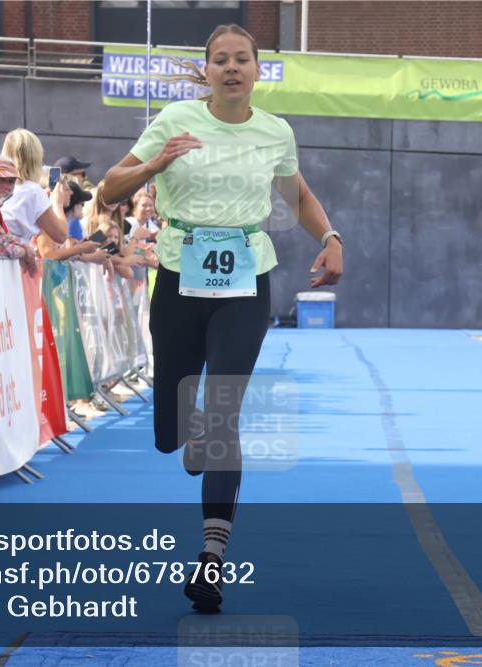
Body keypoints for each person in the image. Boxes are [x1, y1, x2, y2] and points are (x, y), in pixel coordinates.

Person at [102, 23, 343, 613]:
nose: (231, 68)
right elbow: (109, 189)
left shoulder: (274, 132)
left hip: (244, 277)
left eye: (242, 60)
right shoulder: (175, 120)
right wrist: (155, 162)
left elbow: (299, 197)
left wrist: (330, 236)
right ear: (206, 71)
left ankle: (212, 560)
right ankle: (189, 422)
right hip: (181, 275)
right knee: (171, 434)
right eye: (220, 60)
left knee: (225, 411)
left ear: (258, 70)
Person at [0, 128, 70, 244]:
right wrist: (57, 203)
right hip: (13, 258)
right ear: (35, 157)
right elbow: (61, 236)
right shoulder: (32, 190)